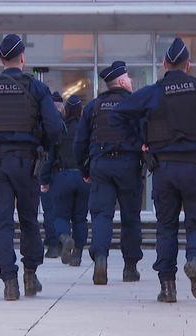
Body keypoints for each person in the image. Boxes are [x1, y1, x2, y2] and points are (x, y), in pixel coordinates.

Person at [111, 38, 196, 303]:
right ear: (188, 65)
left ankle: (167, 286)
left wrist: (141, 144)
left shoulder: (154, 92)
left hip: (164, 169)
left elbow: (119, 114)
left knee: (166, 227)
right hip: (195, 167)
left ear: (165, 64)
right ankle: (194, 259)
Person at [0, 34, 64, 301]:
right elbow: (55, 129)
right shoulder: (37, 89)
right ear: (23, 59)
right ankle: (30, 275)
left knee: (2, 224)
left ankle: (9, 282)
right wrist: (44, 150)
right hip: (28, 163)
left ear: (1, 59)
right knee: (29, 221)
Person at [74, 60, 144, 285]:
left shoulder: (93, 106)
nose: (131, 81)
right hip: (129, 166)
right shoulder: (136, 105)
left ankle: (101, 258)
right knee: (130, 218)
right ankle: (130, 268)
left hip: (101, 166)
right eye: (129, 78)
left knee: (101, 216)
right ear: (122, 81)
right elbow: (147, 135)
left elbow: (79, 142)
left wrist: (85, 169)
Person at [41, 95, 90, 266]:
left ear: (66, 110)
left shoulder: (60, 130)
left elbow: (49, 158)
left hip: (63, 176)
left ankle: (64, 237)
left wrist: (44, 180)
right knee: (80, 218)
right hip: (83, 177)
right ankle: (77, 254)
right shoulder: (87, 130)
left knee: (60, 216)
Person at [41, 91, 65, 258]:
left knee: (49, 211)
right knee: (63, 212)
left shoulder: (48, 125)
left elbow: (47, 157)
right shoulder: (68, 124)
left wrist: (43, 179)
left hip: (52, 174)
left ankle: (53, 244)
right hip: (68, 174)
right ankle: (64, 240)